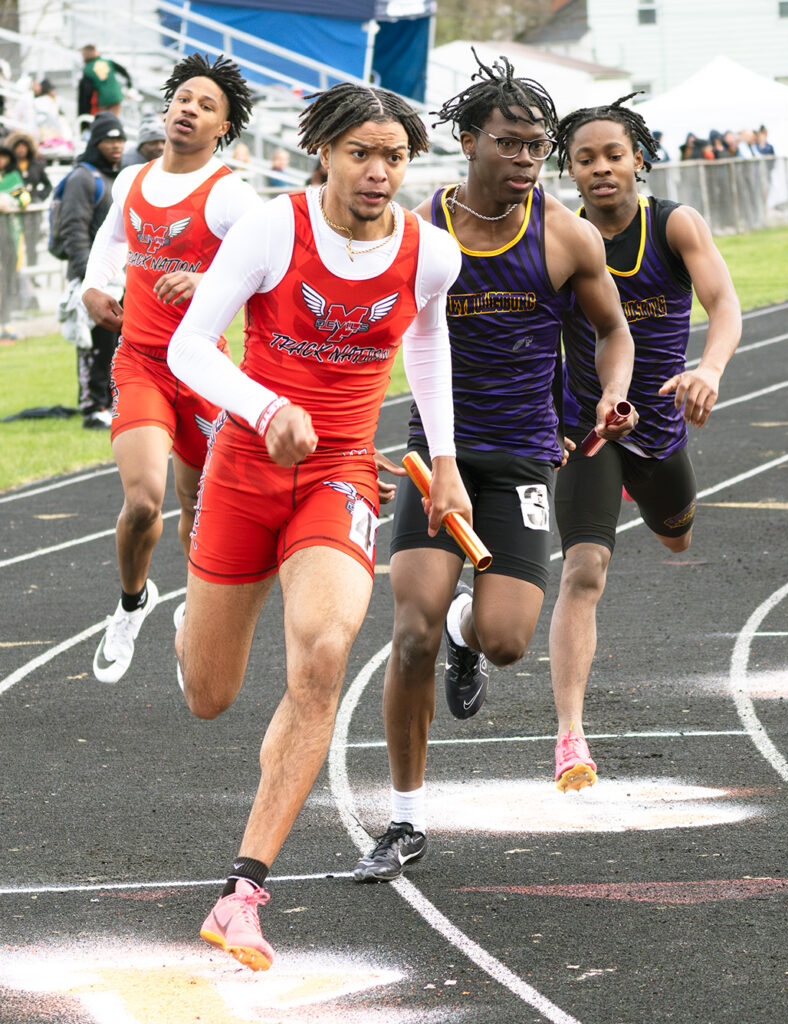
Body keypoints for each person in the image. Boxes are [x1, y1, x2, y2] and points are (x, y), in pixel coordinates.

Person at [166, 81, 470, 970]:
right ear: (325, 155)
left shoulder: (430, 253)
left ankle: (244, 892)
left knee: (324, 654)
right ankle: (193, 626)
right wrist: (263, 409)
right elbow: (190, 346)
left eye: (395, 157)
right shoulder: (270, 228)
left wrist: (442, 459)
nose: (378, 172)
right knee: (208, 693)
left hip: (338, 474)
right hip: (243, 470)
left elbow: (425, 341)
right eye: (361, 154)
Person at [351, 52, 637, 884]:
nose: (525, 161)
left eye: (536, 148)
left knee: (509, 639)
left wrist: (610, 395)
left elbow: (612, 330)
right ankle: (404, 821)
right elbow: (366, 321)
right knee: (406, 630)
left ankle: (466, 634)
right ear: (470, 141)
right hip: (430, 453)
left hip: (519, 457)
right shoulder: (414, 227)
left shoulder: (564, 235)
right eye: (509, 144)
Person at [547, 95, 742, 791]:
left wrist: (707, 369)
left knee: (676, 536)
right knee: (583, 572)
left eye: (613, 155)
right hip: (589, 429)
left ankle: (652, 491)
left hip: (660, 426)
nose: (601, 169)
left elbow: (722, 305)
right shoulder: (562, 238)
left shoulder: (672, 225)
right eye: (584, 158)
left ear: (638, 159)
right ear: (567, 171)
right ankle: (570, 737)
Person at [81, 53, 259, 683]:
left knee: (200, 510)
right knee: (141, 502)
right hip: (142, 365)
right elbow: (110, 242)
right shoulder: (131, 179)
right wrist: (94, 287)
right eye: (184, 97)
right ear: (167, 105)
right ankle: (133, 602)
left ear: (223, 128)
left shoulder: (230, 195)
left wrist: (208, 279)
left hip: (205, 371)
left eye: (207, 105)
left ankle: (195, 618)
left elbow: (275, 270)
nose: (190, 108)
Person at [52, 111, 125, 424]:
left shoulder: (114, 177)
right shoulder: (84, 178)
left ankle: (110, 404)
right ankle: (92, 408)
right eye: (109, 139)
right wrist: (89, 281)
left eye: (120, 138)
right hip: (92, 278)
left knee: (113, 344)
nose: (116, 145)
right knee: (92, 344)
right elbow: (74, 230)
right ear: (96, 142)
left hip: (117, 277)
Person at [7, 132, 52, 269]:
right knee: (13, 243)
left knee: (32, 242)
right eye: (18, 146)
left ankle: (32, 273)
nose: (21, 149)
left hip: (33, 209)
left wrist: (38, 196)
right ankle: (14, 273)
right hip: (14, 210)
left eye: (23, 146)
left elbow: (48, 185)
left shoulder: (36, 165)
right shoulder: (9, 167)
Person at [0, 144, 30, 339]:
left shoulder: (13, 178)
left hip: (8, 235)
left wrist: (9, 202)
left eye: (4, 157)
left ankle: (6, 321)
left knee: (8, 277)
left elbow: (25, 197)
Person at [78, 44, 132, 118]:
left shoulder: (87, 70)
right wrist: (129, 85)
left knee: (104, 120)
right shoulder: (108, 62)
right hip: (116, 96)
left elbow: (86, 92)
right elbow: (124, 71)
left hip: (103, 99)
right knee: (113, 118)